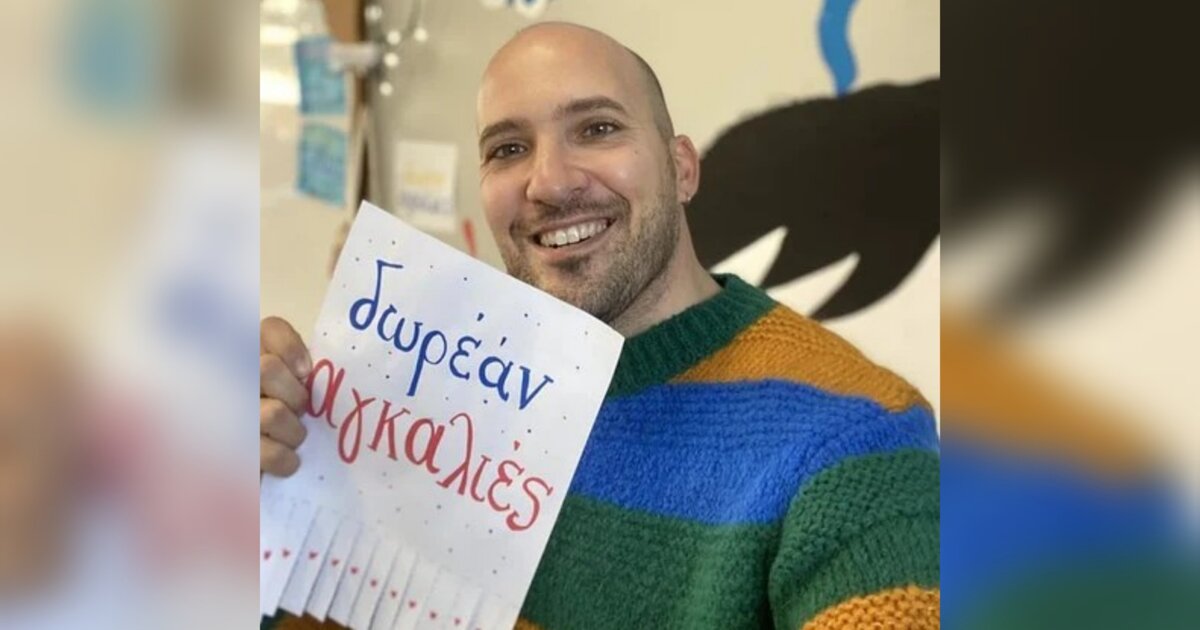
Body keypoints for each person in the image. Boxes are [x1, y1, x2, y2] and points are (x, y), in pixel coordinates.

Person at [261, 22, 939, 629]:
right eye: (508, 148)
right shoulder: (419, 395)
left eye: (597, 129)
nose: (550, 183)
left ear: (682, 169)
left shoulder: (856, 436)